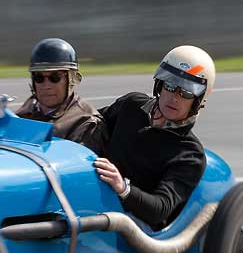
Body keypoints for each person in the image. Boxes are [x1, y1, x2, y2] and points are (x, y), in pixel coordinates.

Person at [93, 45, 216, 230]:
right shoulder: (131, 105)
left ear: (198, 100)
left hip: (136, 228)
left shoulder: (190, 154)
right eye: (170, 85)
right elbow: (90, 126)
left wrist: (123, 188)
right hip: (94, 199)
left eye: (186, 92)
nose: (174, 97)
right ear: (160, 84)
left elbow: (160, 208)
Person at [15, 38, 103, 153]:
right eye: (39, 78)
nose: (46, 86)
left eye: (55, 77)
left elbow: (77, 166)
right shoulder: (25, 111)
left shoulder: (87, 123)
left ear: (71, 79)